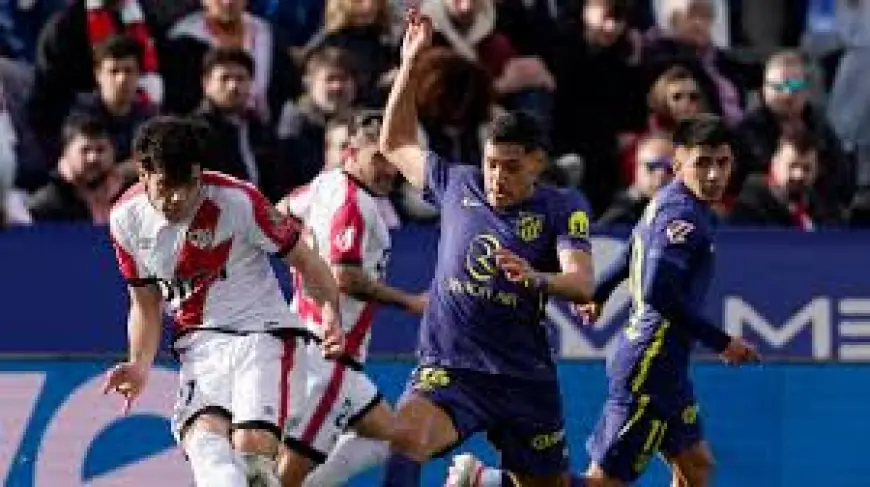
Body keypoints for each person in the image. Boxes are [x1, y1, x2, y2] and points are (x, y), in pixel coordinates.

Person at [449, 114, 762, 487]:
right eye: (703, 163)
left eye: (722, 163)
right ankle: (485, 480)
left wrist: (601, 292)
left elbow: (635, 244)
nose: (714, 175)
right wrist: (723, 342)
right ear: (679, 163)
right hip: (650, 369)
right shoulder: (683, 217)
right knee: (604, 484)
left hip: (670, 372)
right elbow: (659, 291)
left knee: (696, 466)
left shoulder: (672, 200)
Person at [379, 10, 596, 487]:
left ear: (538, 163)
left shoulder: (562, 207)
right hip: (450, 367)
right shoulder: (457, 183)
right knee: (406, 438)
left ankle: (485, 481)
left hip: (524, 377)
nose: (498, 177)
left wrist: (534, 277)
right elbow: (394, 143)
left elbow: (581, 283)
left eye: (512, 167)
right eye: (492, 164)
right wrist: (410, 64)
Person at [102, 116, 345, 487]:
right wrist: (139, 364)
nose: (179, 198)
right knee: (207, 450)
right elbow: (145, 303)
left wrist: (330, 311)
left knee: (251, 455)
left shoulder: (238, 200)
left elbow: (306, 260)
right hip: (200, 347)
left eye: (190, 184)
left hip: (263, 337)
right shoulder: (125, 219)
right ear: (143, 172)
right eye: (168, 186)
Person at [276, 110, 427, 487]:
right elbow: (346, 276)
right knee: (286, 477)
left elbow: (280, 212)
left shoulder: (323, 185)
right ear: (350, 152)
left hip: (323, 352)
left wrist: (304, 259)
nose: (388, 170)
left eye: (393, 160)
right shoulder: (353, 204)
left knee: (394, 439)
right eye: (377, 158)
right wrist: (409, 302)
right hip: (330, 360)